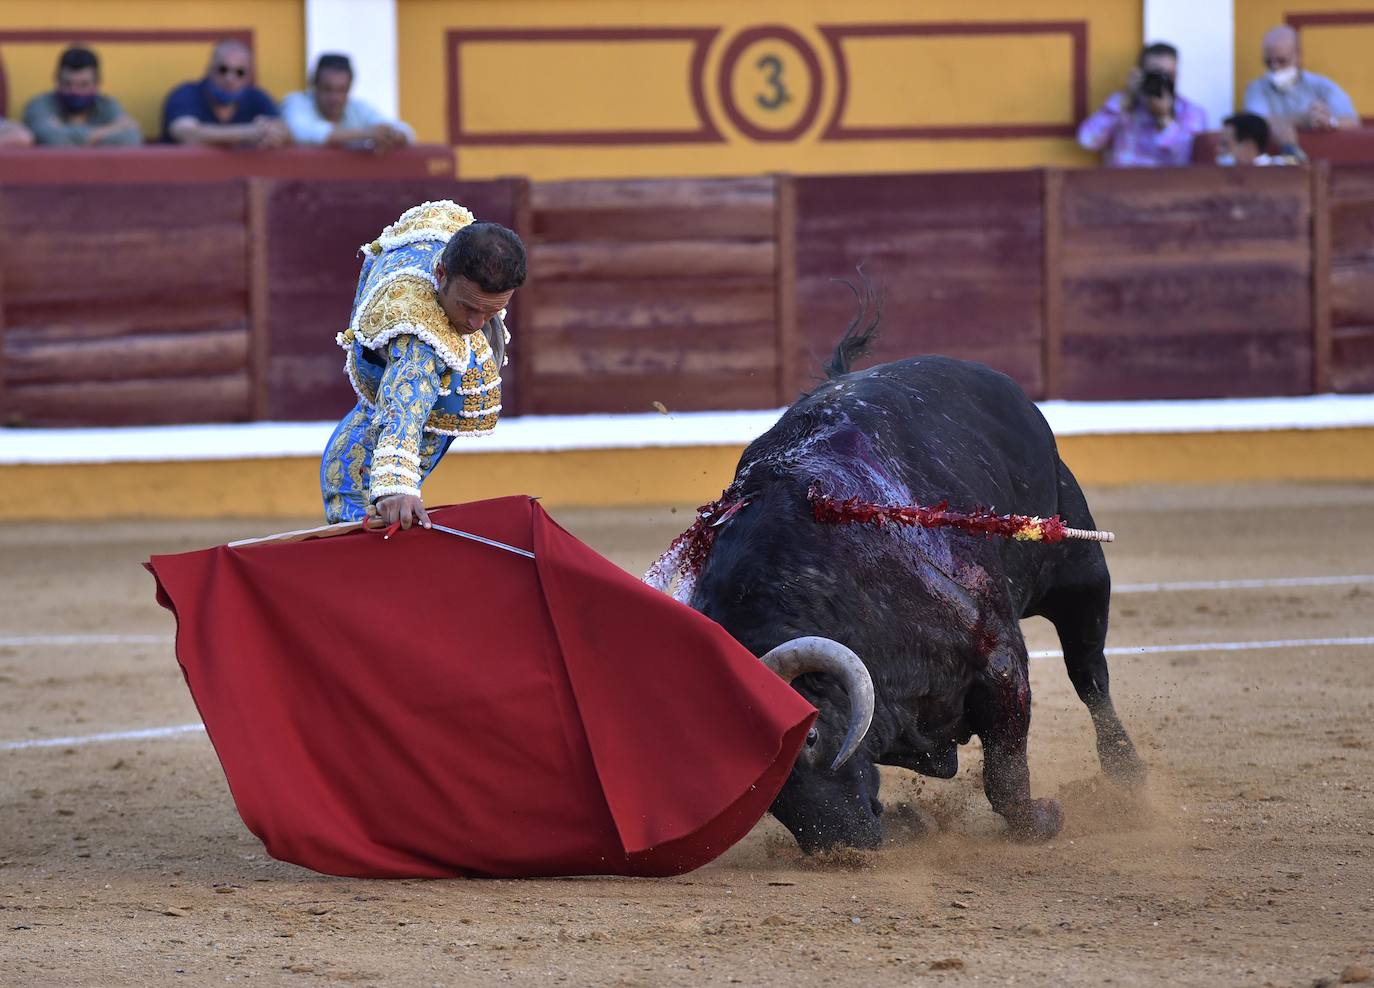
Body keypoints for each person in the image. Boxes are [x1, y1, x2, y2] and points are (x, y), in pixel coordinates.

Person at [321, 201, 526, 528]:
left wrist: (395, 484)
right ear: (440, 272)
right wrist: (394, 487)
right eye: (469, 307)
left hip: (423, 400)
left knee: (349, 485)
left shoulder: (441, 234)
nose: (476, 323)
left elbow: (409, 397)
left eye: (491, 311)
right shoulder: (416, 321)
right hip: (400, 396)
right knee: (346, 483)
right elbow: (406, 395)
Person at [1077, 42, 1209, 167]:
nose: (1162, 80)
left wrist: (1164, 118)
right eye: (1155, 74)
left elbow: (1186, 159)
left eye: (1168, 74)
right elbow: (1087, 141)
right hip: (1121, 186)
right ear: (1140, 73)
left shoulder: (1191, 112)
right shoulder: (1123, 104)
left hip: (1169, 188)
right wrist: (1126, 97)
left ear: (1176, 75)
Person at [161, 39, 289, 148]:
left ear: (249, 76)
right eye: (223, 69)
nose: (230, 78)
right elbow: (185, 133)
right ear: (209, 69)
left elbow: (285, 132)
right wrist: (248, 132)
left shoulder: (257, 97)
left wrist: (273, 132)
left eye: (240, 72)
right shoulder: (186, 94)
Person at [1242, 25, 1358, 138]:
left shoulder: (1322, 86)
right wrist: (1304, 119)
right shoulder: (1256, 88)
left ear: (1298, 55)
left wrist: (1329, 121)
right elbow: (1257, 123)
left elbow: (1352, 120)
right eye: (1269, 62)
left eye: (1282, 61)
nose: (1275, 67)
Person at [281, 53, 414, 151]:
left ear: (350, 88)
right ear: (313, 85)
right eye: (327, 89)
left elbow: (406, 131)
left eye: (342, 90)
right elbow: (301, 131)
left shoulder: (358, 108)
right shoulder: (296, 102)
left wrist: (392, 135)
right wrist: (367, 134)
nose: (335, 97)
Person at [22, 46, 141, 146]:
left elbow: (131, 139)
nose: (75, 91)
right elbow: (53, 139)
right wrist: (110, 130)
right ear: (56, 80)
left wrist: (67, 133)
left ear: (97, 83)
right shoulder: (40, 105)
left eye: (83, 85)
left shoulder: (107, 105)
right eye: (68, 84)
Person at [1216, 113, 1300, 166]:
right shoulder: (1220, 177)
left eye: (1225, 145)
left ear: (1248, 147)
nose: (1218, 149)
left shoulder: (1280, 171)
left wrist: (1289, 147)